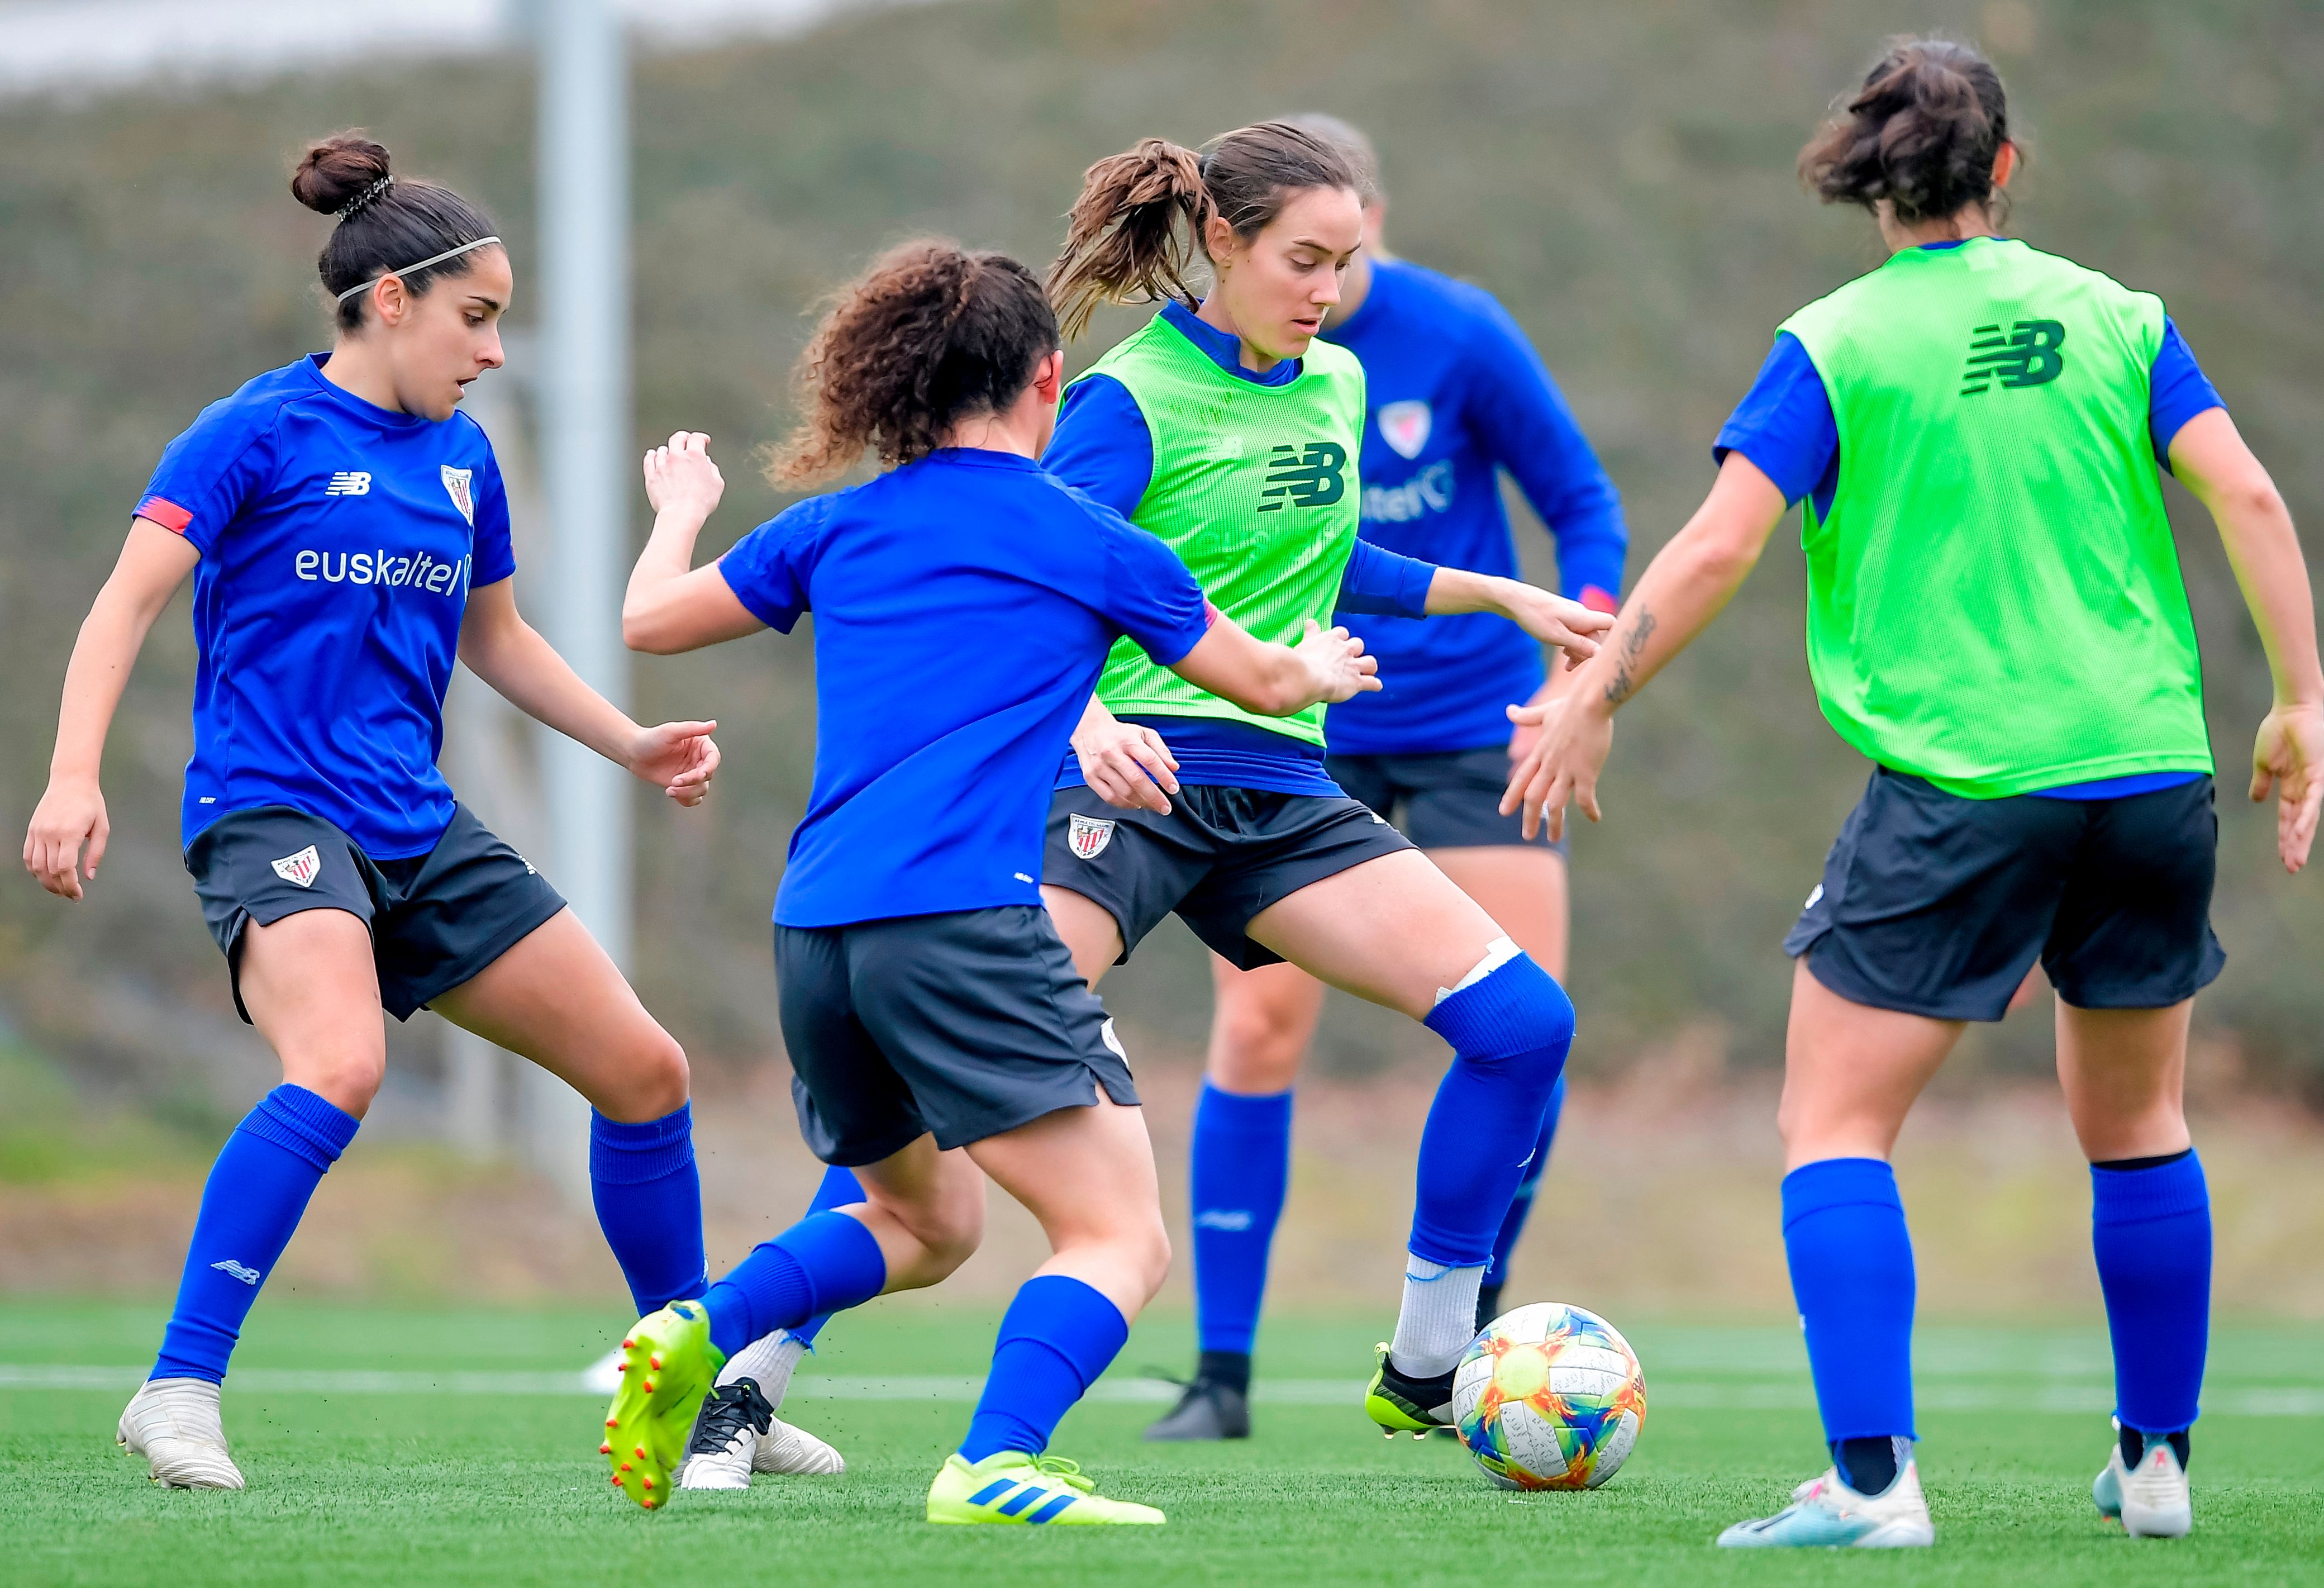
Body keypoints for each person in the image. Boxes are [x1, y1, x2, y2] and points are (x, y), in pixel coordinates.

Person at [1504, 39, 2324, 1548]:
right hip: (2149, 768)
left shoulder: (1834, 343)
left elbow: (1714, 549)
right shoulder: (2118, 317)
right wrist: (2299, 700)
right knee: (2141, 1123)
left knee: (1831, 1122)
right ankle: (2155, 1469)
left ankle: (1872, 1484)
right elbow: (2252, 496)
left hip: (1968, 778)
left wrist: (1589, 693)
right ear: (2004, 170)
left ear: (1866, 182)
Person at [606, 240, 1383, 1522]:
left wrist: (681, 508)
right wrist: (1323, 665)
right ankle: (996, 1461)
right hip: (962, 918)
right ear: (1048, 379)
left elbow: (648, 622)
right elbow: (1256, 683)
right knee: (1120, 1235)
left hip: (817, 934)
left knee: (926, 1222)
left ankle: (701, 1319)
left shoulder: (836, 525)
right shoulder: (1092, 540)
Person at [21, 135, 727, 1492]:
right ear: (390, 300)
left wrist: (629, 741)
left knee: (649, 1073)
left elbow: (499, 641)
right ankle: (177, 1388)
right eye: (479, 317)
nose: (497, 352)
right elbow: (124, 601)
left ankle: (692, 1396)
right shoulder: (254, 431)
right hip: (271, 808)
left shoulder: (465, 459)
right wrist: (71, 772)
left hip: (418, 823)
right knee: (339, 1064)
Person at [1034, 120, 1608, 1442]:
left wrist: (1496, 590)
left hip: (1284, 789)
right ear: (1221, 242)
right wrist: (1079, 723)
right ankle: (755, 1349)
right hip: (1141, 772)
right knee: (968, 1055)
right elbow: (1036, 580)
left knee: (1525, 1026)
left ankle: (1425, 1357)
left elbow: (1326, 557)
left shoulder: (1336, 382)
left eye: (1347, 264)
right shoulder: (1130, 398)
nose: (1328, 291)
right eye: (1303, 260)